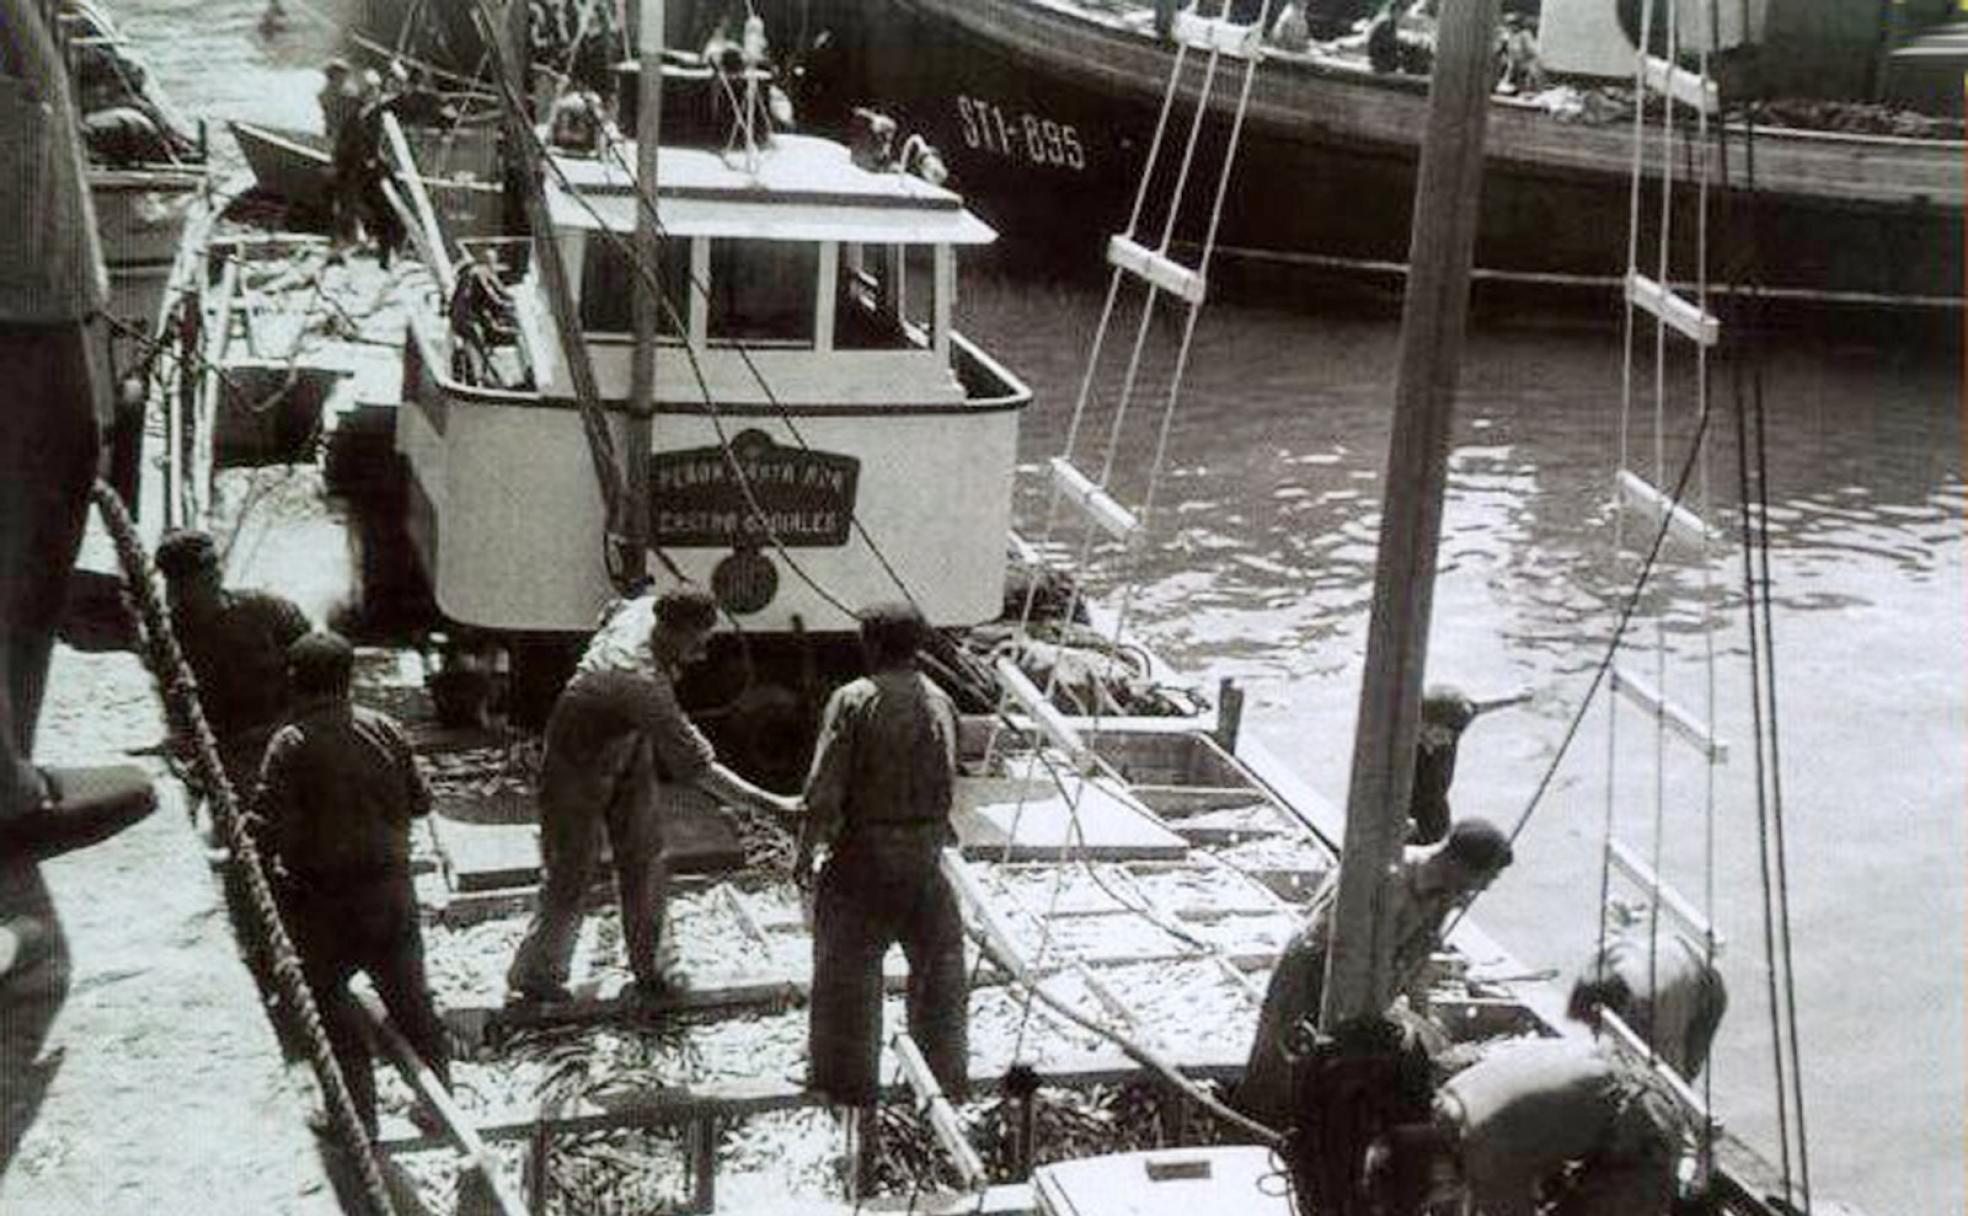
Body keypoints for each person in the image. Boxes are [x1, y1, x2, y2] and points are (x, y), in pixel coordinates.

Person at [1, 0, 156, 1167]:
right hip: (16, 298)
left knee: (51, 487)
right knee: (35, 490)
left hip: (38, 288)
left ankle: (6, 770)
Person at [506, 587, 798, 1004]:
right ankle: (535, 972)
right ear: (671, 631)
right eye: (697, 639)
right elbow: (700, 769)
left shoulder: (645, 609)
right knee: (571, 867)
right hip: (575, 752)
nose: (704, 647)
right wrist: (774, 807)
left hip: (625, 735)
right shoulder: (641, 683)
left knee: (645, 853)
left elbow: (614, 608)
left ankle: (652, 967)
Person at [251, 632, 449, 1133]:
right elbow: (422, 802)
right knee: (412, 1003)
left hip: (326, 906)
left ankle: (357, 1120)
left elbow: (269, 828)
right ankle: (439, 1106)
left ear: (294, 682)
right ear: (349, 679)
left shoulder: (290, 743)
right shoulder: (384, 728)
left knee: (332, 1011)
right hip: (392, 896)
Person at [797, 602, 968, 1107]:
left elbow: (823, 790)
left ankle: (845, 1086)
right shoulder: (942, 700)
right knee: (940, 973)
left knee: (845, 975)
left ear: (868, 643)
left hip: (864, 858)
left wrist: (804, 852)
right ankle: (945, 1081)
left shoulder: (853, 698)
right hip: (925, 857)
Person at [1237, 817, 1513, 1125]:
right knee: (1282, 1064)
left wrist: (1423, 1017)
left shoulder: (1445, 891)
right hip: (1313, 969)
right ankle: (1258, 1125)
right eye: (1485, 877)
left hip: (1370, 984)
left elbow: (1416, 957)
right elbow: (1324, 942)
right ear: (1459, 863)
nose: (1485, 888)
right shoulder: (1383, 877)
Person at [1372, 1038, 1684, 1216]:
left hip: (1645, 1126)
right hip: (1612, 1087)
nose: (1441, 1199)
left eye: (1434, 1196)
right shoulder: (1451, 1100)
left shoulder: (1487, 1153)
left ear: (1438, 1173)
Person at [154, 528, 311, 800]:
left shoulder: (270, 611)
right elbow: (176, 714)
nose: (213, 580)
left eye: (214, 572)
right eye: (201, 579)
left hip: (288, 735)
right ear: (177, 586)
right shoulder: (168, 639)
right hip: (228, 753)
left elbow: (319, 667)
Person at [1568, 914, 1727, 1081]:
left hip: (1696, 988)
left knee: (1667, 1075)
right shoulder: (1602, 968)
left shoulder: (1649, 1002)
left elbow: (1663, 1065)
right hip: (1684, 964)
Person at [1409, 684, 1477, 845]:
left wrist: (1519, 697)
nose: (1447, 741)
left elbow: (1477, 707)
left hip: (1438, 817)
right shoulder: (1401, 750)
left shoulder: (1450, 730)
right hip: (1408, 823)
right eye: (1441, 735)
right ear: (1422, 724)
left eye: (1452, 736)